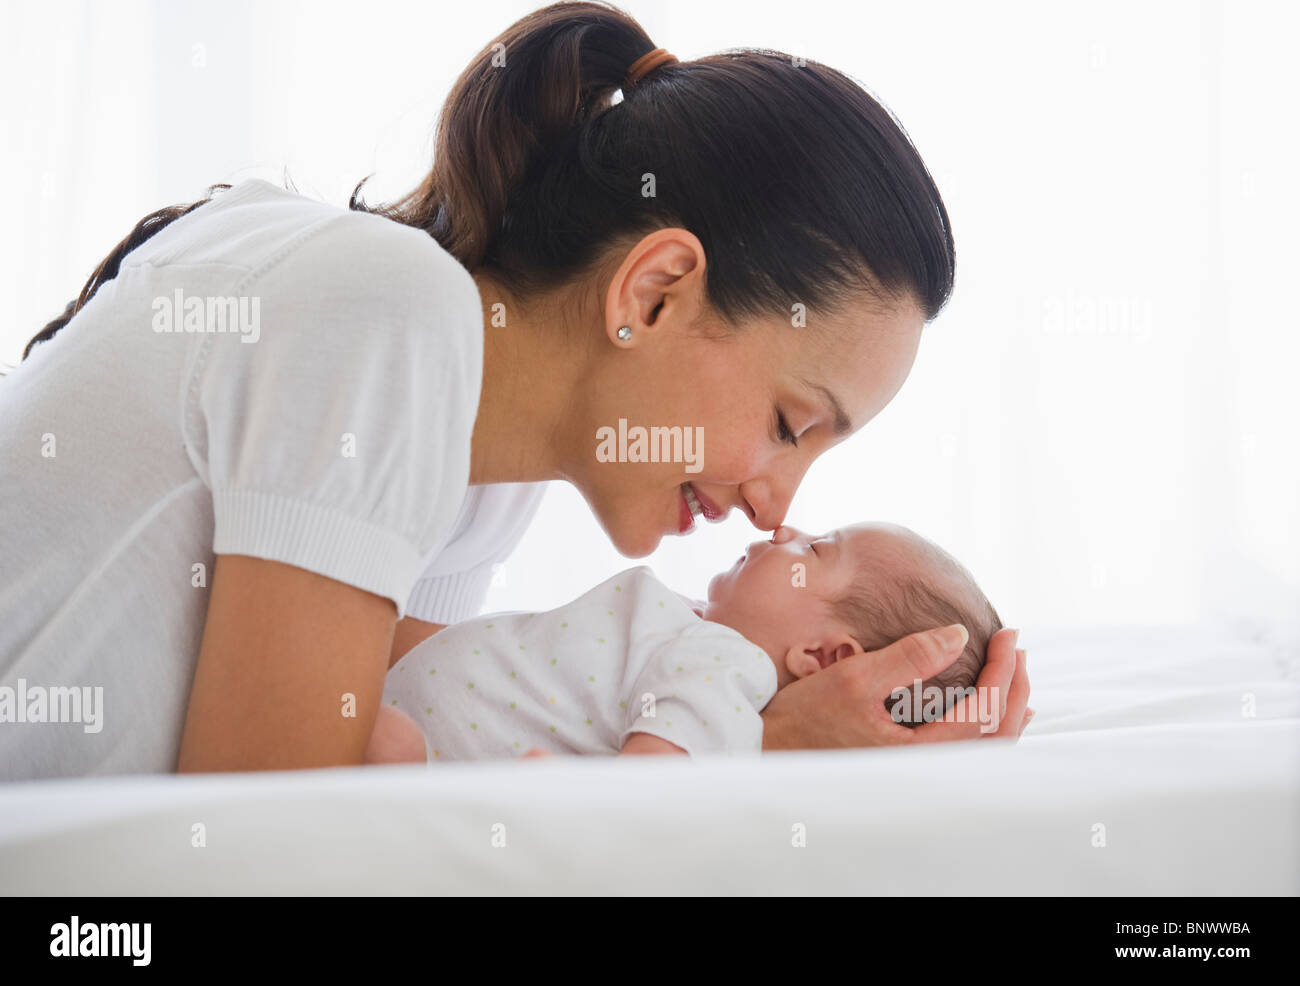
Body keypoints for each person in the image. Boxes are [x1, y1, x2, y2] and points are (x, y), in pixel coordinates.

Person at [0, 1, 1028, 780]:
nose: (775, 505)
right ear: (656, 291)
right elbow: (272, 835)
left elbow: (419, 721)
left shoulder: (491, 462)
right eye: (787, 423)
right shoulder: (388, 309)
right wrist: (751, 751)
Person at [367, 521, 1022, 763]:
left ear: (825, 657)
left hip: (420, 752)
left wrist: (568, 803)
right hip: (406, 711)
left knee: (378, 743)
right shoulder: (698, 638)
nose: (782, 530)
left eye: (815, 549)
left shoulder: (724, 667)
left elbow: (656, 787)